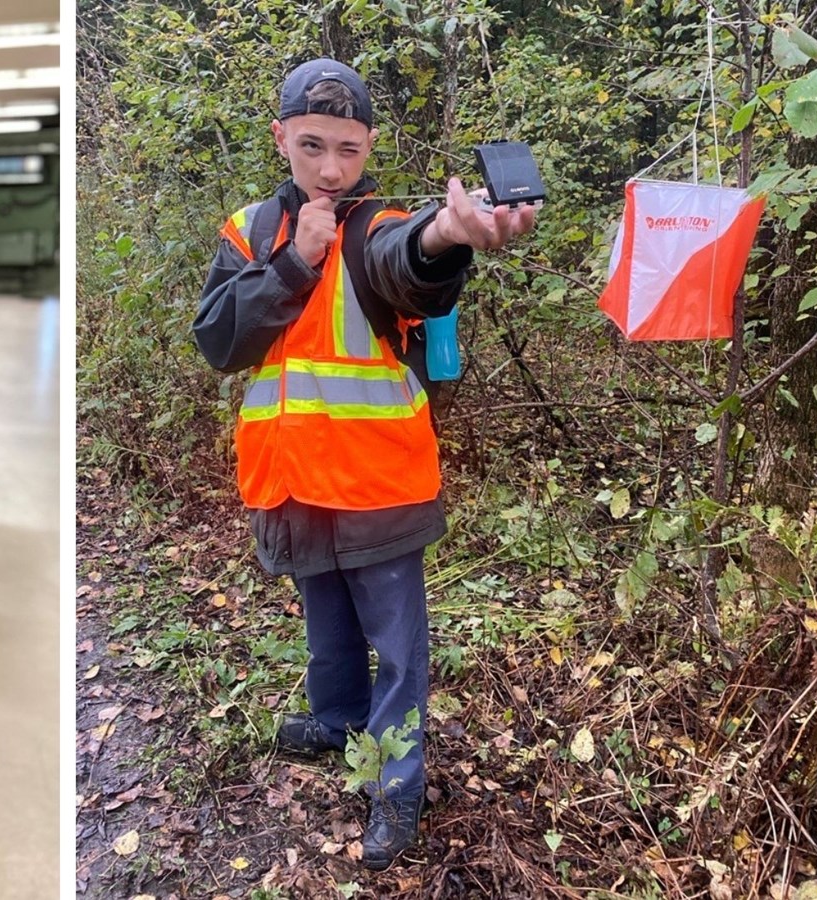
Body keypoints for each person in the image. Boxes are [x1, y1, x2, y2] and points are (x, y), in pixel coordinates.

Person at [192, 58, 536, 870]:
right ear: (281, 137)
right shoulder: (249, 230)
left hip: (378, 482)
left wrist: (449, 233)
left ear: (370, 144)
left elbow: (407, 258)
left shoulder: (375, 222)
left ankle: (396, 784)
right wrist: (290, 265)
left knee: (398, 645)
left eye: (349, 149)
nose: (331, 168)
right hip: (290, 480)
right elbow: (218, 341)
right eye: (312, 146)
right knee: (327, 626)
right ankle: (338, 719)